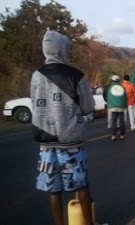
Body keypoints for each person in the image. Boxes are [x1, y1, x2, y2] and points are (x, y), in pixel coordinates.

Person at [31, 30, 98, 225]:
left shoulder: (36, 75)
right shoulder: (76, 75)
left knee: (54, 190)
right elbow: (87, 108)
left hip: (46, 144)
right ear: (62, 49)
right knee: (82, 186)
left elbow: (35, 104)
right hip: (71, 143)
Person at [107, 75, 127, 141]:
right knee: (121, 121)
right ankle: (122, 135)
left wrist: (110, 105)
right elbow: (125, 97)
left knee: (114, 122)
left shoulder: (110, 87)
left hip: (113, 107)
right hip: (121, 107)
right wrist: (124, 105)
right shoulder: (122, 87)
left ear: (113, 80)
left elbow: (108, 97)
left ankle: (113, 135)